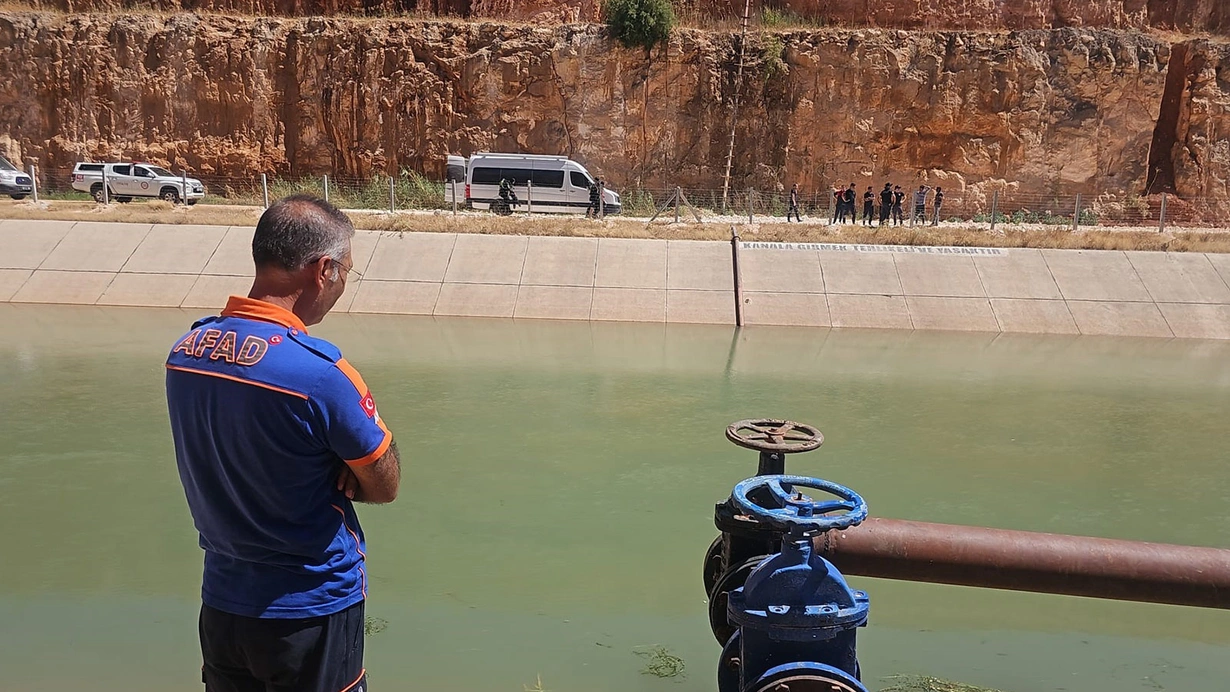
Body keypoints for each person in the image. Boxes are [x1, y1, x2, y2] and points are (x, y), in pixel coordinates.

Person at [166, 194, 401, 692]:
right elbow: (384, 485)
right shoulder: (321, 375)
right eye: (346, 272)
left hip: (223, 602)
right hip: (310, 607)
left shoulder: (186, 352)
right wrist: (344, 460)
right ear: (323, 270)